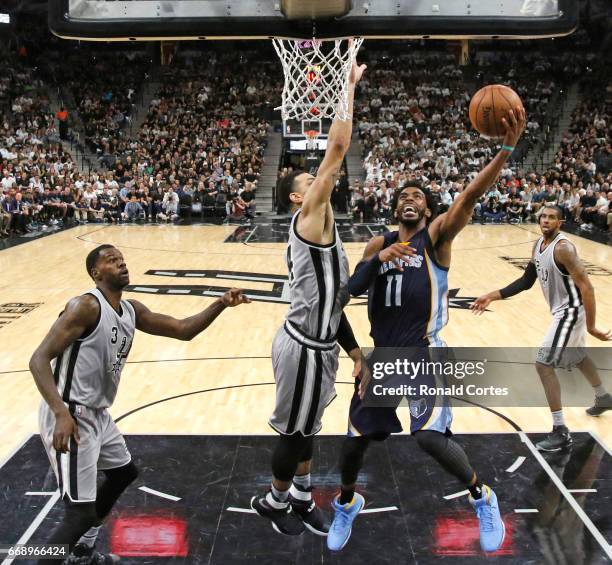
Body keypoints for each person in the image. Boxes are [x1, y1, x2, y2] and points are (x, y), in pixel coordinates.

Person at [327, 107, 526, 554]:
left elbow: (468, 199)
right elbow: (352, 291)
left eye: (417, 195)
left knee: (431, 437)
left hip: (424, 351)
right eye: (403, 196)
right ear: (395, 207)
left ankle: (482, 494)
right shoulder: (378, 244)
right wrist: (359, 355)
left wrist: (506, 150)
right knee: (354, 444)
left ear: (428, 208)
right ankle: (346, 502)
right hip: (383, 355)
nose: (409, 199)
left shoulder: (435, 237)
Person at [30, 244, 250, 564]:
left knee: (123, 473)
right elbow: (38, 359)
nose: (121, 263)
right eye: (111, 260)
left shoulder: (131, 310)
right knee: (78, 514)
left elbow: (182, 330)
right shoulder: (85, 307)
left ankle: (83, 549)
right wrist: (60, 413)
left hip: (97, 414)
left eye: (121, 259)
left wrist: (220, 303)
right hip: (70, 413)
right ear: (96, 273)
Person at [250, 55, 366, 537]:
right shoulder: (310, 218)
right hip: (302, 347)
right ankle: (275, 501)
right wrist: (346, 85)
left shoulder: (326, 226)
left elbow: (333, 301)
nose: (317, 180)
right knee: (294, 432)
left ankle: (299, 497)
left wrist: (356, 352)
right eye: (308, 180)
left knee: (310, 429)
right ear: (299, 197)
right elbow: (337, 148)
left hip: (321, 345)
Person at [471, 205, 612, 451]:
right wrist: (492, 296)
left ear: (561, 222)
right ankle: (603, 397)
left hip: (570, 312)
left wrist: (591, 326)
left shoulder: (564, 248)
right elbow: (527, 281)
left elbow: (587, 287)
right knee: (578, 357)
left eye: (552, 217)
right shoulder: (538, 245)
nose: (546, 220)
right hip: (562, 311)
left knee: (543, 363)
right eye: (543, 216)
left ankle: (560, 430)